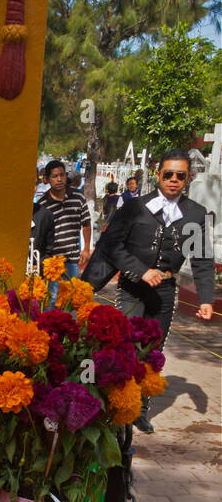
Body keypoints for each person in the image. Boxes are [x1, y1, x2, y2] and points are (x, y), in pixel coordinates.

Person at [98, 149, 215, 433]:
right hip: (131, 288)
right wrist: (139, 270)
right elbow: (111, 246)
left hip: (164, 291)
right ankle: (116, 408)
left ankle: (141, 409)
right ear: (157, 173)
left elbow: (201, 259)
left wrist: (206, 299)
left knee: (153, 352)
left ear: (188, 179)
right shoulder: (134, 207)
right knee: (124, 348)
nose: (174, 180)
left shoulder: (196, 214)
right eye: (168, 174)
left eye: (181, 175)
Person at [37, 160, 92, 278]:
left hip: (72, 259)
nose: (59, 179)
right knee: (52, 296)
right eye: (55, 176)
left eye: (62, 175)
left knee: (71, 294)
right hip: (52, 261)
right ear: (47, 179)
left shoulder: (78, 197)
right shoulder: (43, 204)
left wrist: (86, 248)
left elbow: (86, 223)